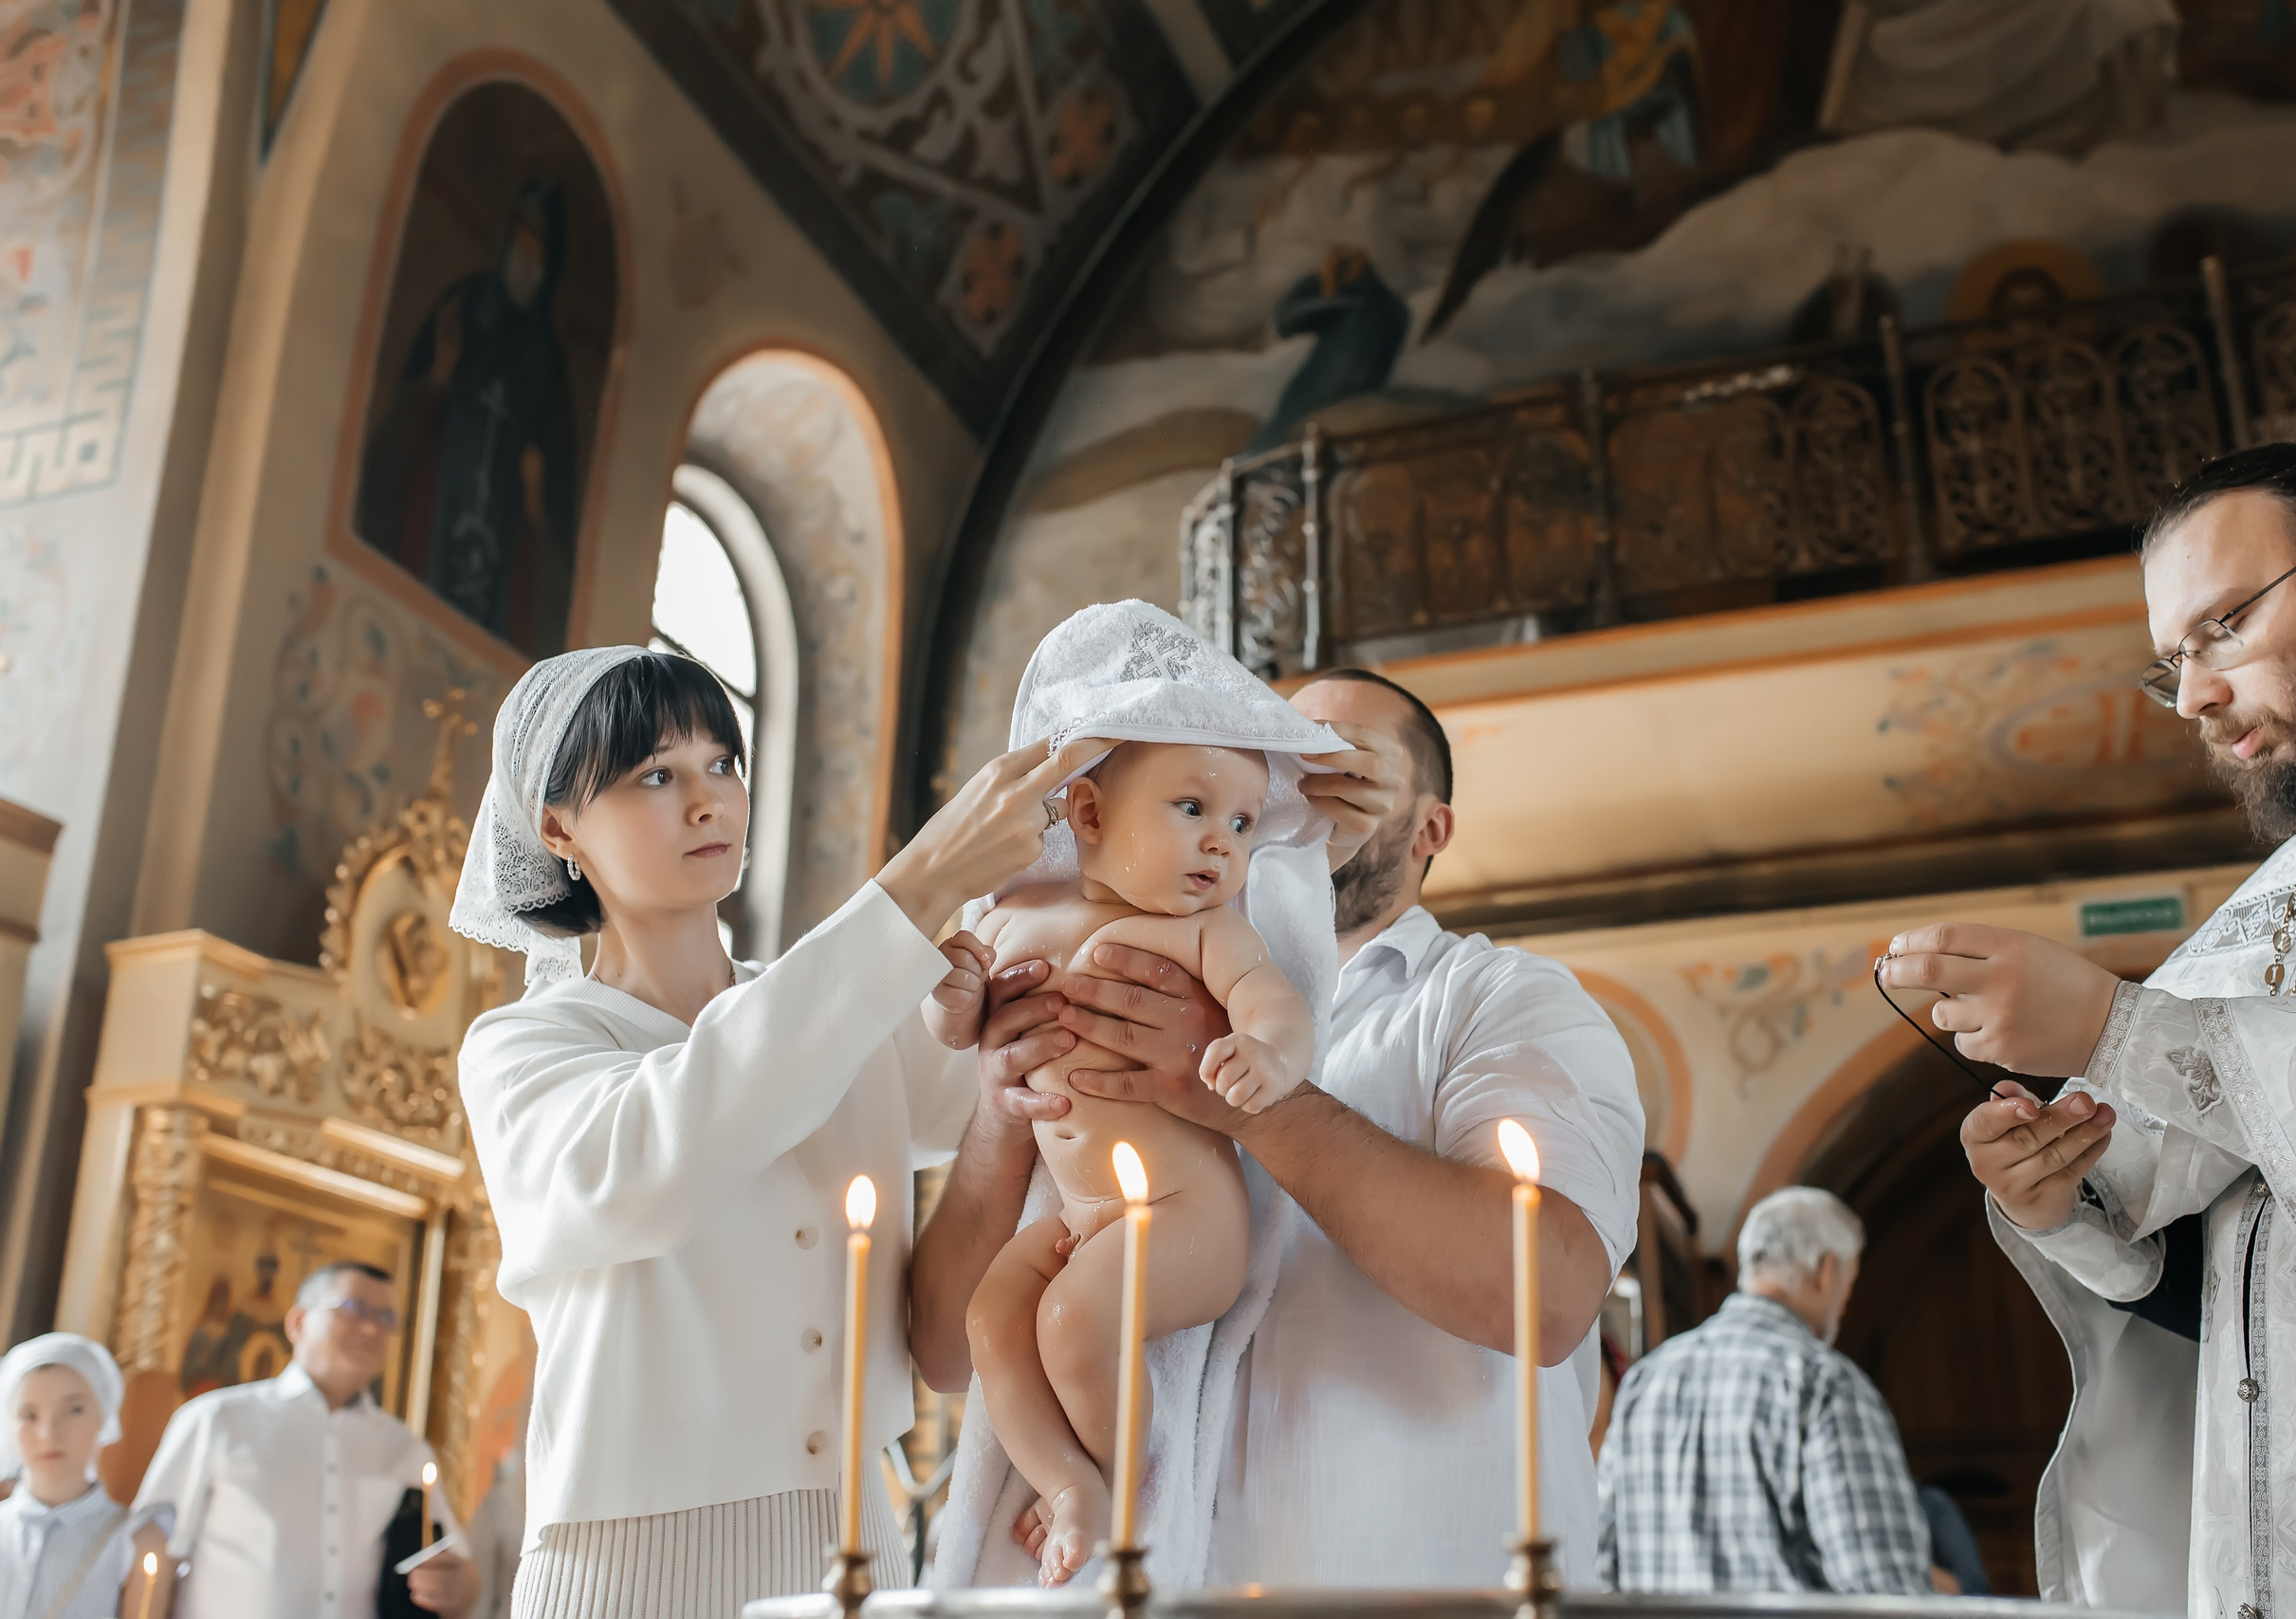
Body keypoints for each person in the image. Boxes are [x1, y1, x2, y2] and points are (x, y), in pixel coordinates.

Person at [927, 666, 1644, 1589]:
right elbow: (949, 1349)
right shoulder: (1097, 983)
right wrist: (1003, 1106)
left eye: (1342, 765)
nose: (1296, 788)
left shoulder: (1498, 1001)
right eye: (1275, 761)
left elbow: (1547, 1296)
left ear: (1428, 827)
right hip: (1166, 1592)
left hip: (1426, 1595)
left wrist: (1242, 1097)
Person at [449, 646, 1113, 1619]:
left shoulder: (851, 1015)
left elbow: (997, 1091)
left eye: (723, 763)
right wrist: (918, 887)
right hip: (626, 1572)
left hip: (854, 1552)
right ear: (558, 828)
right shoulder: (525, 1048)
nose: (708, 800)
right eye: (655, 777)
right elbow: (657, 1160)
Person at [1880, 442, 2296, 1618]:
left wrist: (2112, 1025)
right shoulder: (2277, 898)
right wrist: (2065, 1198)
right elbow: (2245, 1262)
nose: (2190, 697)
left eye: (2222, 627)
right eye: (2170, 661)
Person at [1597, 1187, 1933, 1595]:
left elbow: (1603, 1561)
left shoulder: (1643, 1382)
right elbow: (1885, 1591)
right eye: (1850, 1280)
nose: (1844, 1304)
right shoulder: (1823, 1384)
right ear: (1826, 1271)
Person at [135, 1262, 478, 1619]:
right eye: (353, 1308)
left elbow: (459, 1572)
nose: (371, 1327)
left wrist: (458, 1588)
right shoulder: (216, 1420)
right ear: (298, 1322)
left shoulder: (406, 1450)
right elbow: (153, 1552)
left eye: (386, 1317)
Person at [0, 1334, 170, 1619]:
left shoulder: (136, 1540)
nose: (48, 1434)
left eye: (74, 1410)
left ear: (104, 1415)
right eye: (29, 1415)